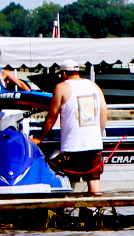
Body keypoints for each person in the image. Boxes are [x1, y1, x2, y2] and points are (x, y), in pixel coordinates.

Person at [32, 59, 109, 194]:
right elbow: (104, 112)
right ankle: (96, 211)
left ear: (63, 74)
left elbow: (52, 116)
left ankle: (69, 213)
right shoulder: (93, 86)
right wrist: (98, 133)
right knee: (94, 179)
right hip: (94, 143)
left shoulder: (62, 87)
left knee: (69, 179)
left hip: (73, 144)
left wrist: (40, 137)